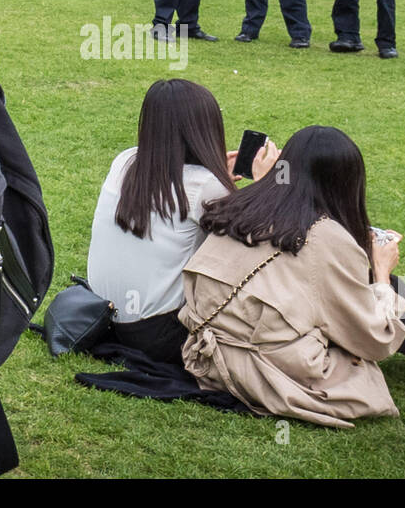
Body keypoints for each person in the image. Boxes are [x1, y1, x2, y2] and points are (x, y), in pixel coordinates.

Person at [180, 125, 405, 427]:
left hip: (203, 358)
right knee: (387, 294)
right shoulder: (325, 236)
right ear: (346, 182)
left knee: (379, 293)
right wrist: (381, 268)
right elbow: (376, 339)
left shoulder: (241, 204)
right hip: (261, 371)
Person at [87, 80, 279, 363]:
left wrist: (219, 183)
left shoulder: (125, 161)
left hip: (98, 314)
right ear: (205, 129)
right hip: (159, 333)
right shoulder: (206, 187)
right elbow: (258, 245)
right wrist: (266, 185)